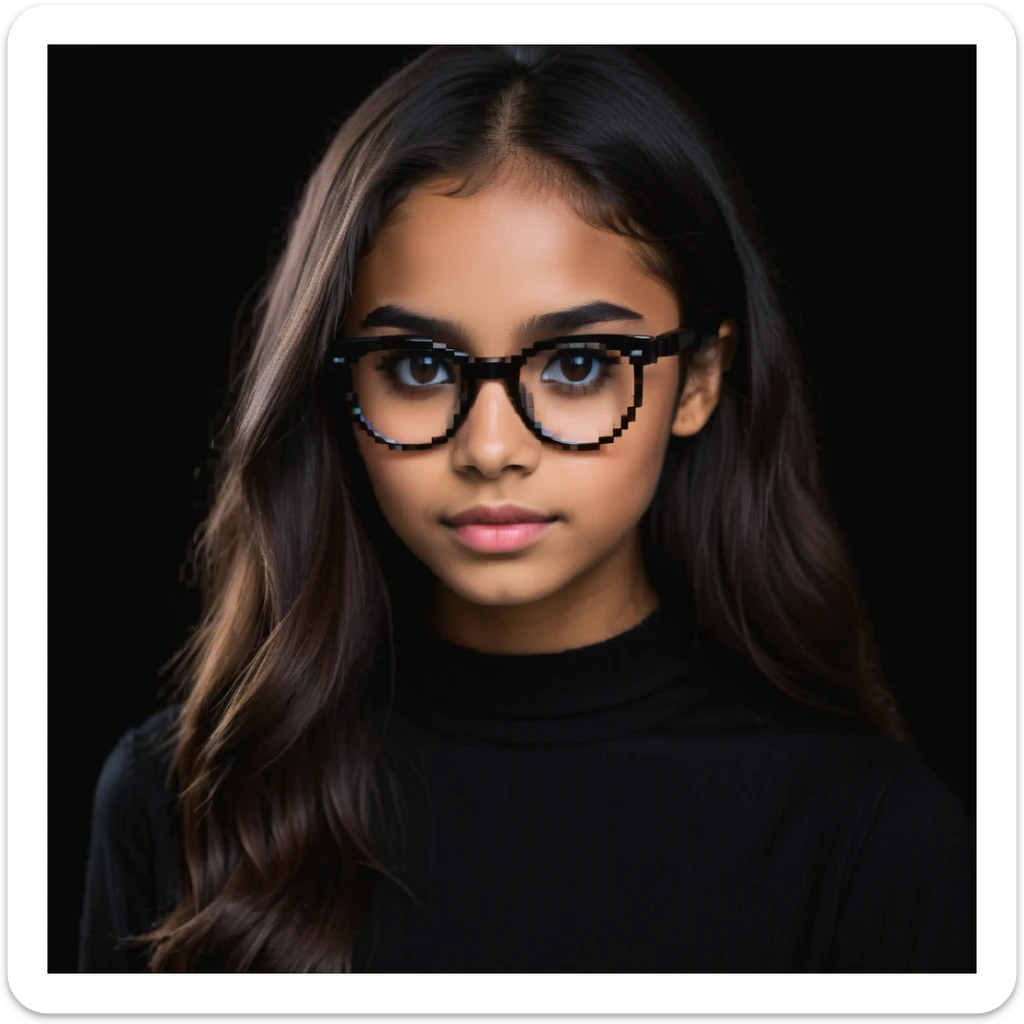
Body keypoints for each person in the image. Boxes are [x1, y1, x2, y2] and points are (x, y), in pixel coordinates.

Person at [78, 43, 975, 973]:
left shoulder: (869, 837)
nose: (493, 448)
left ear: (701, 378)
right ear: (336, 389)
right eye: (419, 367)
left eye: (579, 364)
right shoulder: (179, 805)